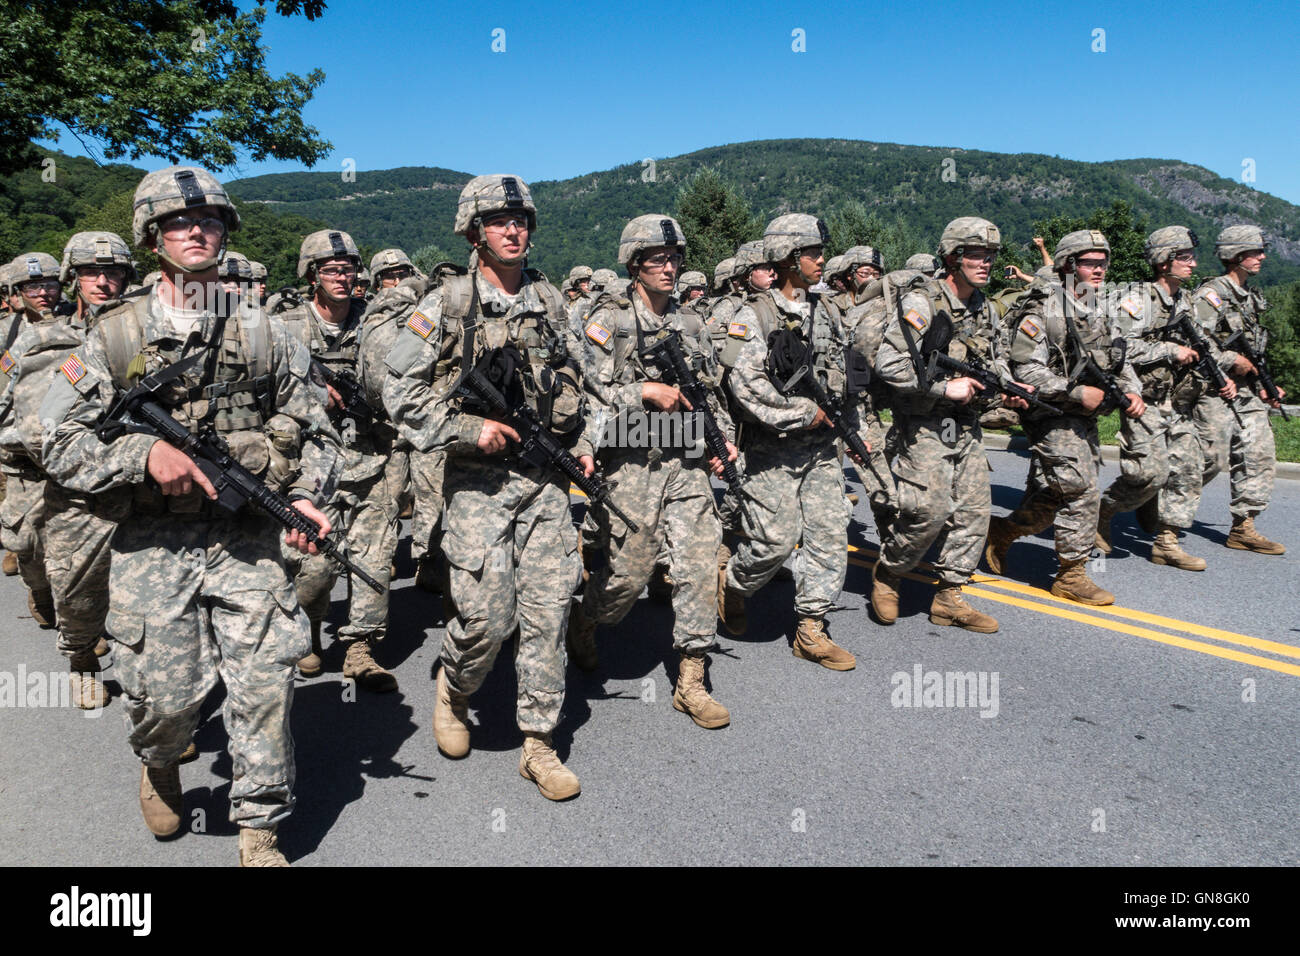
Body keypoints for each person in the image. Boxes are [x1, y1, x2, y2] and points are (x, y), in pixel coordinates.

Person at [39, 166, 342, 865]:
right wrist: (139, 457)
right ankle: (161, 760)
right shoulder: (114, 339)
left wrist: (305, 495)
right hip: (154, 540)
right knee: (165, 696)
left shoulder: (265, 334)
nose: (197, 230)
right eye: (179, 221)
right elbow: (53, 438)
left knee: (266, 681)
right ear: (152, 239)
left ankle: (260, 825)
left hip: (247, 539)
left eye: (209, 220)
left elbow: (319, 431)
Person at [384, 174, 589, 800]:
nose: (513, 229)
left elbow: (581, 382)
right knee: (485, 619)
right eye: (499, 220)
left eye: (521, 218)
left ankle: (537, 742)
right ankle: (455, 684)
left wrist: (583, 442)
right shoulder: (444, 304)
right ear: (473, 232)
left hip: (544, 483)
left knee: (549, 612)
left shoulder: (551, 302)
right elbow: (400, 395)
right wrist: (473, 429)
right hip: (475, 486)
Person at [567, 214, 737, 726]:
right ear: (635, 264)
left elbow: (708, 390)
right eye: (658, 259)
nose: (669, 268)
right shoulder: (609, 321)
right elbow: (585, 391)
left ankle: (691, 677)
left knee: (700, 564)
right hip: (630, 462)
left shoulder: (689, 322)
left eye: (675, 259)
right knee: (627, 577)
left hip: (685, 463)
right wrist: (641, 391)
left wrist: (721, 439)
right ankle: (585, 618)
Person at [715, 213, 862, 669]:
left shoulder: (829, 311)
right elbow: (739, 380)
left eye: (821, 252)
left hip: (822, 448)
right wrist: (803, 412)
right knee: (773, 543)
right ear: (789, 258)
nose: (822, 260)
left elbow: (847, 375)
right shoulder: (748, 315)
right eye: (813, 253)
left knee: (828, 534)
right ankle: (733, 584)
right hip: (770, 449)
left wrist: (855, 429)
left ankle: (811, 626)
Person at [871, 217, 1028, 632]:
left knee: (974, 512)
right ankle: (889, 573)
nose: (986, 263)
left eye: (991, 255)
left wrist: (1007, 387)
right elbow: (890, 364)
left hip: (964, 426)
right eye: (977, 254)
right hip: (922, 423)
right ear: (953, 256)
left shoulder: (982, 306)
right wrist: (945, 389)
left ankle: (949, 595)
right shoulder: (923, 302)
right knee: (930, 510)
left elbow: (992, 361)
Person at [985, 230, 1146, 604]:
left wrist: (1131, 389)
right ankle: (1071, 575)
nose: (1101, 269)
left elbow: (1119, 359)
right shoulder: (1041, 310)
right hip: (1049, 412)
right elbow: (1025, 371)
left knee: (1056, 493)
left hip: (1084, 416)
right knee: (1081, 489)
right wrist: (1075, 392)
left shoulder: (1099, 309)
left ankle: (1003, 531)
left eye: (1104, 262)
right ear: (1068, 265)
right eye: (1091, 262)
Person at [273, 230, 399, 691]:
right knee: (314, 564)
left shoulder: (375, 323)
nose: (342, 278)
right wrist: (311, 397)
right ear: (311, 275)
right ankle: (307, 628)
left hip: (372, 452)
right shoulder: (286, 327)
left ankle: (360, 648)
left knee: (376, 554)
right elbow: (266, 393)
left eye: (347, 269)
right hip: (311, 460)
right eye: (331, 270)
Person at [1096, 227, 1235, 570]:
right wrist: (1169, 349)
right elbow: (1118, 347)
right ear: (1163, 262)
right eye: (1184, 257)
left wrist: (1220, 375)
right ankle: (1103, 510)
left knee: (1191, 469)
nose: (1193, 263)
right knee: (1148, 475)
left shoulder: (1185, 301)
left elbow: (1203, 345)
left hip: (1179, 402)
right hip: (1145, 398)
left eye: (1191, 256)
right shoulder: (1138, 299)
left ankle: (1166, 541)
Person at [1192, 225, 1286, 555]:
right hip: (1215, 386)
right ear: (1235, 256)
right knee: (1211, 459)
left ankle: (1243, 526)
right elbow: (1195, 342)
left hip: (1245, 390)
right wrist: (1232, 359)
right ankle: (1157, 502)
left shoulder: (1250, 297)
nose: (1261, 257)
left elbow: (1255, 350)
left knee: (1258, 453)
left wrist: (1264, 384)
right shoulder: (1211, 294)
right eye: (1255, 252)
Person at [0, 252, 66, 629]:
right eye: (33, 286)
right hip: (21, 456)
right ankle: (38, 589)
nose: (43, 293)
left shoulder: (77, 321)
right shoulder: (7, 334)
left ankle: (81, 624)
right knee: (27, 541)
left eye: (50, 284)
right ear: (18, 291)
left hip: (70, 450)